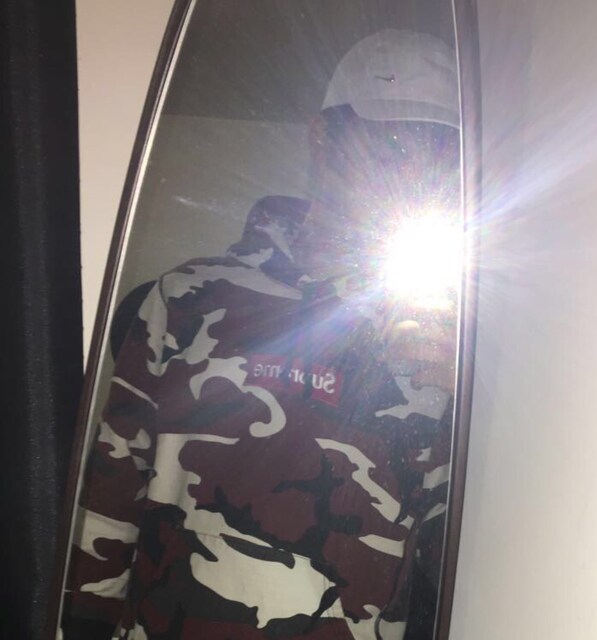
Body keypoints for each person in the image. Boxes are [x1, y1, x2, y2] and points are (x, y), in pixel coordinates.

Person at [62, 28, 461, 640]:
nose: (411, 169)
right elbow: (110, 491)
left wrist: (465, 400)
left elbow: (456, 551)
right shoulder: (186, 298)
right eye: (389, 141)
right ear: (323, 137)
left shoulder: (453, 337)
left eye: (437, 150)